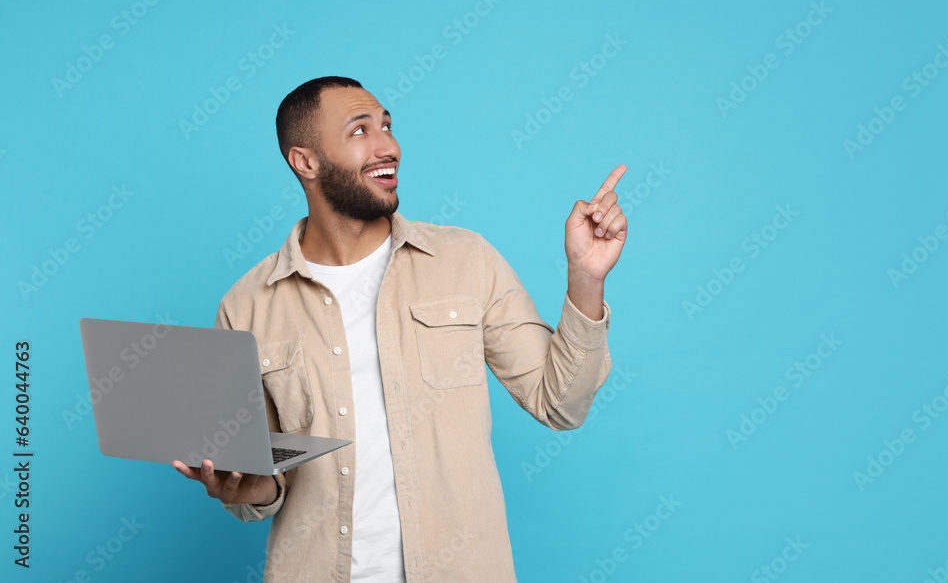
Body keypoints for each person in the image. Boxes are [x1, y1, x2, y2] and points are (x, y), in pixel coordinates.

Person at [172, 76, 628, 581]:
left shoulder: (466, 261)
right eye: (360, 130)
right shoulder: (246, 305)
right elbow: (262, 485)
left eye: (386, 125)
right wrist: (240, 486)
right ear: (305, 161)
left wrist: (586, 278)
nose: (389, 145)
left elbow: (560, 403)